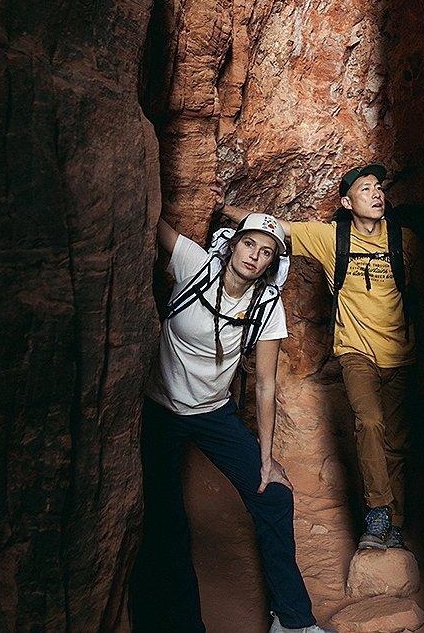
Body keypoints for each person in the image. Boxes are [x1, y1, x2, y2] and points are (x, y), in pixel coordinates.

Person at [130, 210, 336, 633]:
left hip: (214, 414)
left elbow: (264, 384)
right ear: (233, 243)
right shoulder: (195, 264)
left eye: (266, 252)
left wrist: (266, 459)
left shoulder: (266, 304)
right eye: (249, 244)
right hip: (162, 411)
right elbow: (153, 221)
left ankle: (293, 621)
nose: (254, 256)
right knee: (169, 524)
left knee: (275, 496)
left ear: (271, 264)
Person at [218, 163, 419, 552]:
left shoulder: (404, 240)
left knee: (396, 442)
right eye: (365, 189)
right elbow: (277, 226)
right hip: (355, 351)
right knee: (370, 422)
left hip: (402, 356)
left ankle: (395, 523)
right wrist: (227, 209)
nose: (376, 194)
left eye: (379, 188)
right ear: (347, 202)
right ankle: (377, 511)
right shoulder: (331, 238)